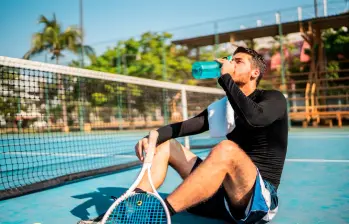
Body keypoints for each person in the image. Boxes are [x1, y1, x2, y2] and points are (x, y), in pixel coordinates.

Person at [78, 46, 288, 224]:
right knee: (167, 144)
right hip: (220, 198)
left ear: (254, 73)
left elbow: (254, 118)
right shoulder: (224, 107)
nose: (231, 64)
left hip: (257, 201)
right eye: (230, 60)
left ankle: (158, 216)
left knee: (227, 150)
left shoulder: (273, 99)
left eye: (238, 61)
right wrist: (153, 135)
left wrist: (225, 77)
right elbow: (184, 127)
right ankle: (124, 213)